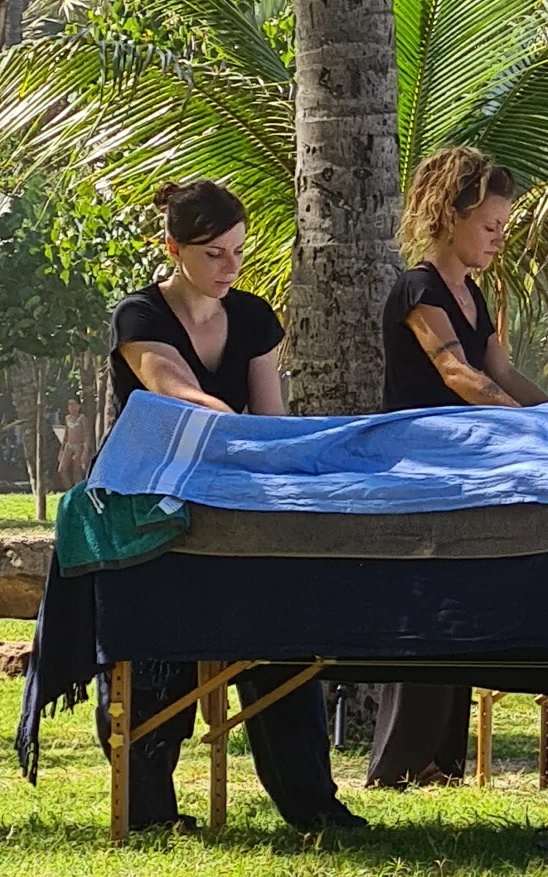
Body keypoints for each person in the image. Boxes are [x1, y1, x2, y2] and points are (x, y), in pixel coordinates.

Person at [101, 179, 365, 832]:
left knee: (282, 643)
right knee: (157, 657)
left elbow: (269, 418)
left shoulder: (251, 317)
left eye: (238, 251)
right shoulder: (139, 318)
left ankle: (313, 805)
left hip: (234, 501)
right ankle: (148, 813)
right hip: (149, 510)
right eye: (214, 253)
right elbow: (177, 393)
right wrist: (248, 441)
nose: (230, 266)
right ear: (174, 248)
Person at [369, 146, 548, 790]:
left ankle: (437, 762)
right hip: (423, 472)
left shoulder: (471, 292)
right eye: (490, 226)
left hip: (466, 471)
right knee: (427, 610)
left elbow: (502, 374)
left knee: (459, 610)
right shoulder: (418, 288)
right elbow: (458, 374)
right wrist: (528, 428)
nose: (500, 238)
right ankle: (399, 762)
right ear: (449, 216)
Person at [57, 398, 92, 490]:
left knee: (76, 469)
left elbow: (87, 435)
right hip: (69, 445)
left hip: (79, 446)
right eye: (69, 405)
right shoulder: (67, 418)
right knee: (62, 469)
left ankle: (78, 489)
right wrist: (62, 449)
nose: (71, 407)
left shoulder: (82, 418)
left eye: (73, 405)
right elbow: (66, 434)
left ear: (78, 406)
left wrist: (85, 450)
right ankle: (69, 489)